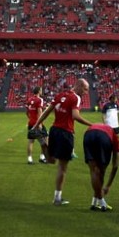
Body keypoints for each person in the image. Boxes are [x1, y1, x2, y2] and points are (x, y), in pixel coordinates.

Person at [32, 78, 93, 206]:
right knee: (62, 167)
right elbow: (75, 116)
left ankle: (44, 144)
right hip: (66, 133)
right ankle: (57, 198)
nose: (86, 92)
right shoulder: (76, 97)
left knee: (51, 160)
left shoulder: (60, 95)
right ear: (79, 86)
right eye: (86, 89)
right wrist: (92, 124)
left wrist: (36, 124)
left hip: (54, 130)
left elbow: (47, 111)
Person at [83, 123, 119, 211]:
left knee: (94, 170)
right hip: (103, 137)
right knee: (101, 171)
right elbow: (115, 165)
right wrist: (108, 186)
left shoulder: (110, 131)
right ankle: (102, 202)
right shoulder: (116, 140)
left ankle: (94, 202)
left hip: (88, 134)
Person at [26, 86, 48, 165]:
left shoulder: (29, 99)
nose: (42, 91)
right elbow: (39, 112)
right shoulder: (40, 100)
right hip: (37, 123)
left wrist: (30, 118)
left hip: (31, 123)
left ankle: (29, 159)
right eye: (41, 90)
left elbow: (27, 112)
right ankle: (42, 157)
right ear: (39, 91)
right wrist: (39, 124)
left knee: (31, 141)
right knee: (45, 139)